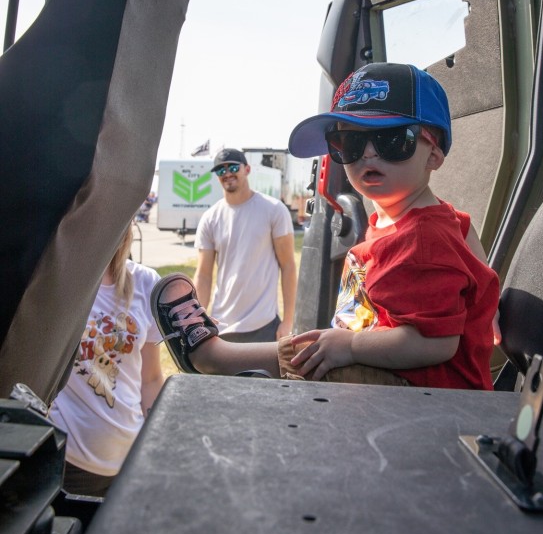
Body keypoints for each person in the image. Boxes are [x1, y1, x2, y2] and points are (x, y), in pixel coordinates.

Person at [151, 63, 499, 390]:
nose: (368, 153)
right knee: (325, 348)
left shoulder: (422, 239)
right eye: (349, 143)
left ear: (434, 155)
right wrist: (488, 309)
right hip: (409, 385)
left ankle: (212, 358)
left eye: (392, 140)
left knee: (321, 354)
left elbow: (436, 343)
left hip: (427, 397)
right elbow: (465, 233)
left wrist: (351, 346)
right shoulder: (424, 220)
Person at [49, 223, 165, 497]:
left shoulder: (146, 282)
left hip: (131, 457)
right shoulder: (58, 281)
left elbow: (150, 379)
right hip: (68, 460)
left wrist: (155, 442)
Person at [193, 146, 297, 342]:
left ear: (247, 169)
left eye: (233, 168)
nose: (227, 174)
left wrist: (288, 321)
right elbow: (203, 275)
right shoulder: (210, 218)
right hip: (222, 326)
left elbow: (288, 266)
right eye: (221, 170)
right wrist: (197, 323)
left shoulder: (273, 210)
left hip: (264, 325)